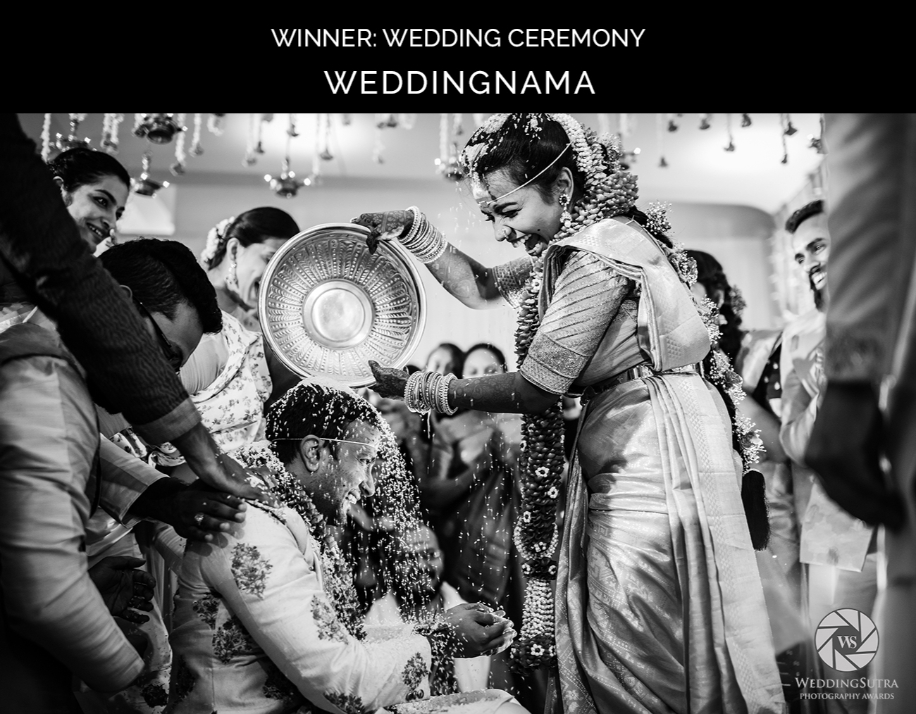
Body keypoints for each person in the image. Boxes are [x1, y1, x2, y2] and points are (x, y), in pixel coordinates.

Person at [358, 113, 783, 713]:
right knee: (623, 613)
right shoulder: (574, 247)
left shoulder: (600, 252)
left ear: (562, 188)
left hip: (655, 452)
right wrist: (414, 230)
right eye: (490, 215)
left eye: (509, 211)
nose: (501, 231)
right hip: (631, 433)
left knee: (633, 617)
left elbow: (539, 387)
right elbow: (482, 286)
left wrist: (427, 388)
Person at [167, 380, 526, 714]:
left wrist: (434, 629)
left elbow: (335, 642)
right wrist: (440, 640)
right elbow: (341, 682)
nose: (370, 486)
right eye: (364, 461)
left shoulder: (289, 512)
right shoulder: (253, 526)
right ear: (314, 452)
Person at [0, 112, 258, 501]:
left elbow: (74, 440)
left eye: (117, 212)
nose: (108, 221)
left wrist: (164, 499)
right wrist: (197, 453)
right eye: (100, 200)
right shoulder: (31, 355)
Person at [804, 113, 916, 711]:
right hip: (838, 515)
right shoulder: (796, 339)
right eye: (803, 255)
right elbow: (792, 432)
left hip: (882, 446)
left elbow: (872, 150)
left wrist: (846, 387)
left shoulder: (876, 311)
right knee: (844, 662)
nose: (813, 262)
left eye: (823, 244)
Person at [366, 522, 493, 693]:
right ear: (392, 566)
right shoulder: (374, 626)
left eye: (430, 555)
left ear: (443, 557)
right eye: (407, 558)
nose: (421, 566)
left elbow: (496, 693)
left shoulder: (475, 618)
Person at [199, 207, 300, 332]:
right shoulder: (182, 302)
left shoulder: (256, 331)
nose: (278, 278)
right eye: (269, 260)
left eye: (285, 269)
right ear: (234, 250)